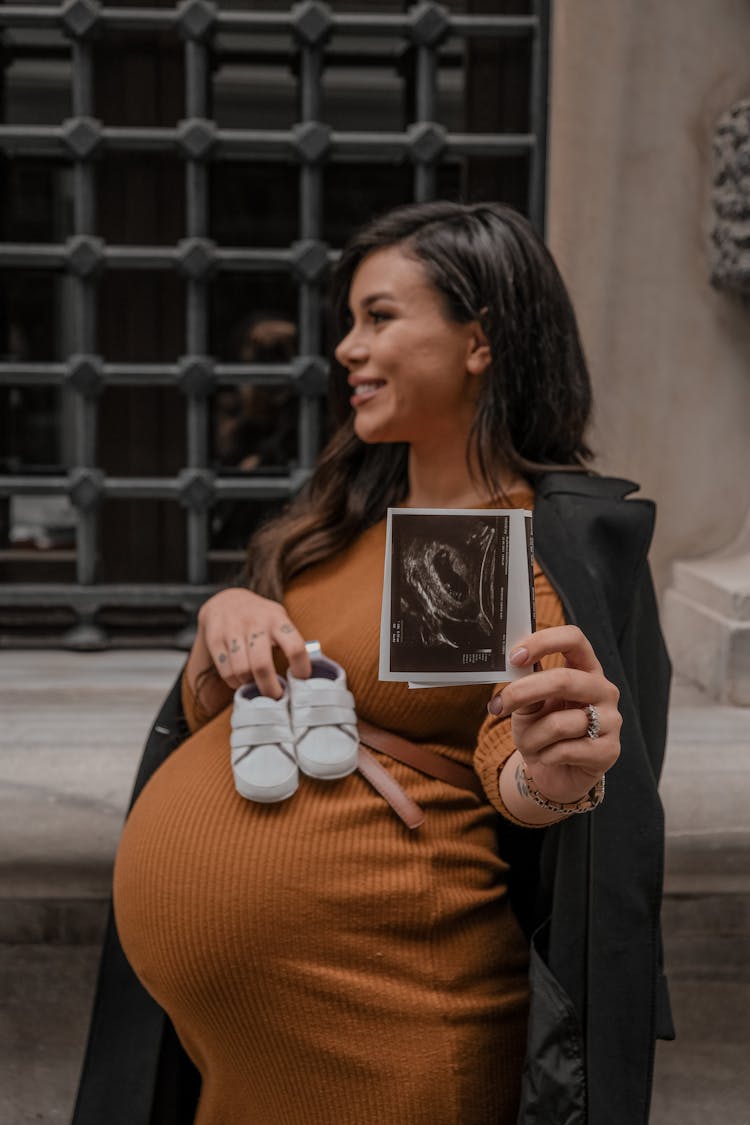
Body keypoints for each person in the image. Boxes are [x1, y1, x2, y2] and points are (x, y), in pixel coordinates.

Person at [73, 202, 673, 1125]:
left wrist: (550, 778)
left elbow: (504, 758)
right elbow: (221, 721)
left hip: (384, 1035)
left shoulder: (500, 542)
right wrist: (223, 625)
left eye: (380, 317)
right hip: (246, 1062)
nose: (347, 349)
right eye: (349, 322)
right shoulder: (332, 532)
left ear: (479, 342)